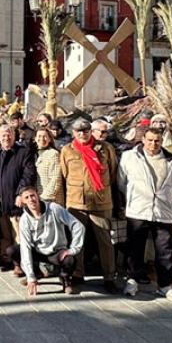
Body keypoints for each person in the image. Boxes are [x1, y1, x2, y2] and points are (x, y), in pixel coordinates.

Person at [117, 128, 172, 302]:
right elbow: (122, 182)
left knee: (165, 249)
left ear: (162, 142)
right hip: (138, 209)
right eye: (150, 140)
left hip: (162, 211)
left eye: (157, 141)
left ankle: (165, 285)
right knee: (134, 248)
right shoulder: (129, 157)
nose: (153, 144)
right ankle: (132, 279)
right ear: (143, 140)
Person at [60, 119, 119, 293]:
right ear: (73, 133)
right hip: (76, 202)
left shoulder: (105, 149)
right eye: (78, 131)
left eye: (86, 130)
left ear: (91, 131)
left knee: (106, 242)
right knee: (77, 241)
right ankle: (78, 273)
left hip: (101, 202)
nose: (82, 134)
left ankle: (109, 276)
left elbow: (113, 172)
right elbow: (64, 175)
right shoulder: (67, 151)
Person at [12, 186, 85, 296]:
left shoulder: (54, 208)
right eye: (27, 197)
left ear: (38, 195)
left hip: (56, 252)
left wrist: (73, 249)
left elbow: (78, 225)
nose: (31, 199)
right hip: (38, 251)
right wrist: (30, 277)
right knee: (12, 251)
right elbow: (25, 247)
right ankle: (36, 274)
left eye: (32, 195)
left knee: (70, 260)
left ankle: (66, 280)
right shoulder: (24, 220)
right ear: (23, 201)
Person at [0, 125, 37, 274]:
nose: (6, 138)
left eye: (9, 135)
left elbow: (28, 174)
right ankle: (6, 259)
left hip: (16, 201)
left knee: (18, 234)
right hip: (1, 202)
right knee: (5, 235)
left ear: (14, 136)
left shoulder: (23, 152)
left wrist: (20, 194)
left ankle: (19, 263)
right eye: (3, 135)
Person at [33, 128, 64, 206]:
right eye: (39, 136)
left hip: (51, 199)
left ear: (50, 139)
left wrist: (44, 197)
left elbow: (56, 179)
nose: (42, 139)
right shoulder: (32, 154)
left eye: (45, 136)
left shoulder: (53, 154)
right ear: (35, 138)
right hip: (37, 198)